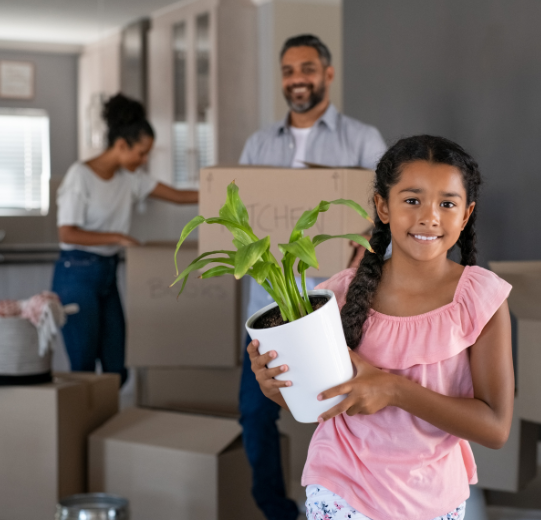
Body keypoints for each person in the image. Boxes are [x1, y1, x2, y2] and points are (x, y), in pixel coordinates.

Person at [249, 135, 515, 520]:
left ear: (467, 213)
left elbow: (495, 428)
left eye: (447, 203)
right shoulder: (335, 296)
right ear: (382, 206)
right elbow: (318, 401)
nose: (429, 216)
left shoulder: (482, 299)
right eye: (411, 200)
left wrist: (394, 390)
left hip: (435, 498)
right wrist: (274, 387)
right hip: (342, 490)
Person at [238, 34, 387, 520]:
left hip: (340, 306)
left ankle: (350, 505)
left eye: (306, 67)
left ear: (327, 73)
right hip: (270, 305)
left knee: (349, 411)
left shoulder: (363, 139)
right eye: (287, 70)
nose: (296, 78)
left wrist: (365, 230)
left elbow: (387, 210)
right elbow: (236, 218)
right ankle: (281, 512)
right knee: (257, 413)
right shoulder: (259, 145)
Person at [52, 93, 197, 384]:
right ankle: (81, 427)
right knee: (83, 364)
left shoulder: (129, 178)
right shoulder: (80, 176)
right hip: (76, 273)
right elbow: (67, 232)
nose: (143, 161)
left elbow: (179, 197)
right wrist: (117, 237)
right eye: (141, 153)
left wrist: (227, 191)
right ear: (121, 145)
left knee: (117, 367)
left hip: (106, 274)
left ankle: (107, 425)